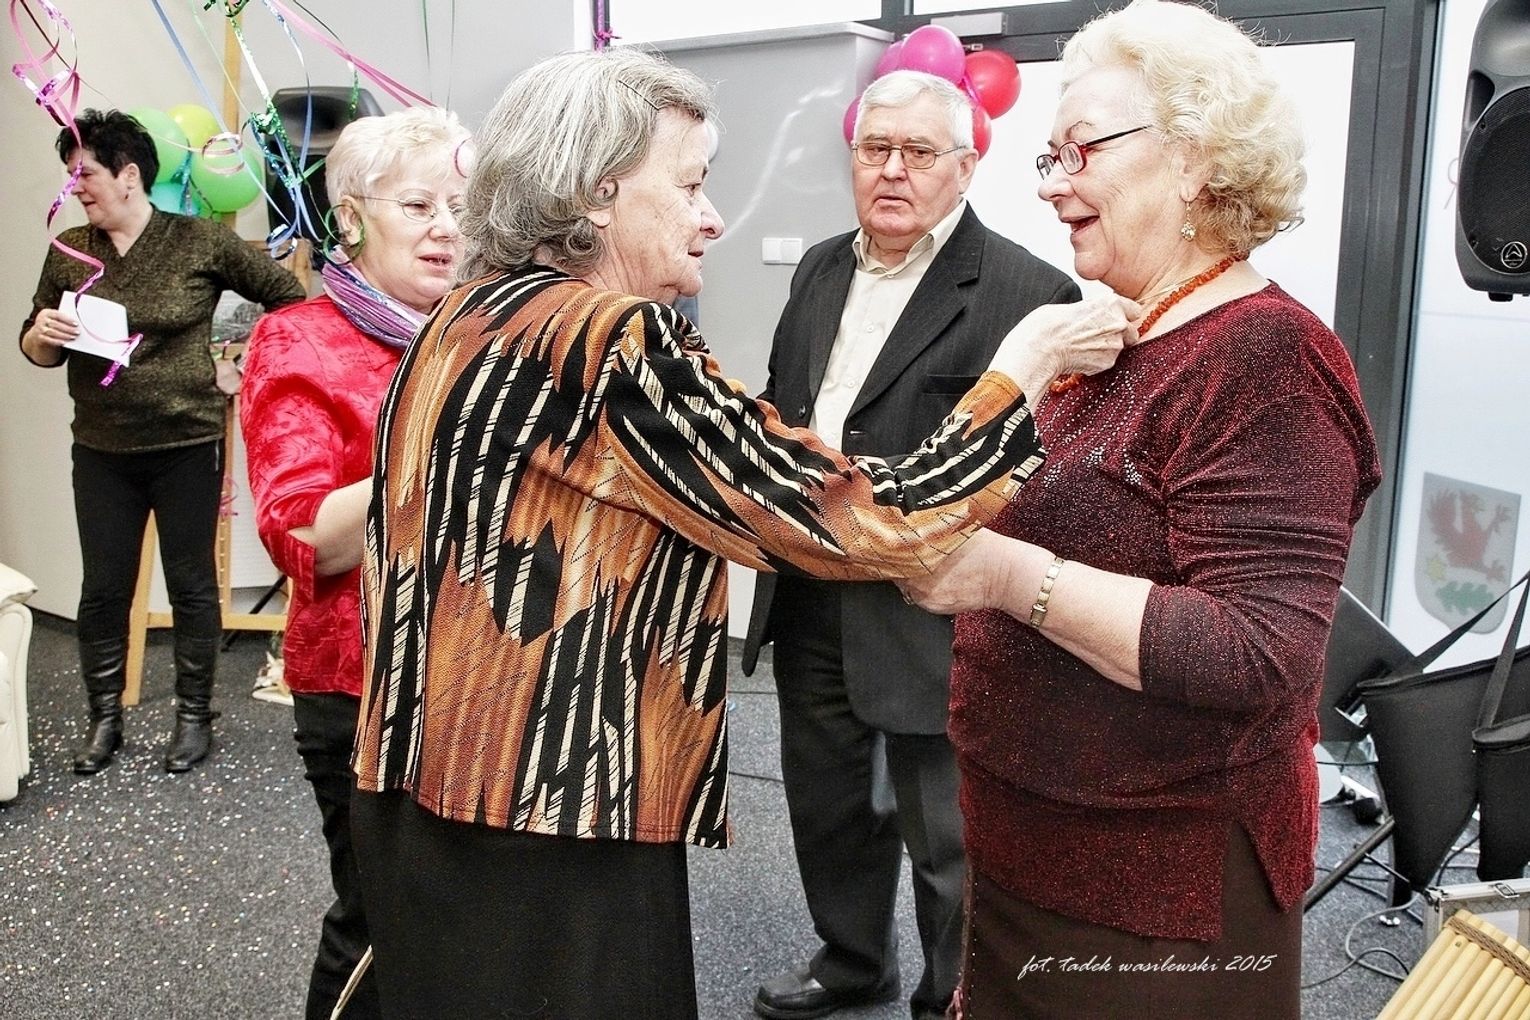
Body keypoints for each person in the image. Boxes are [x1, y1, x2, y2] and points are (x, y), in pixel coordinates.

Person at [350, 48, 1136, 1020]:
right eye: (689, 185)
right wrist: (1023, 368)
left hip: (424, 778)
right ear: (596, 195)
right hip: (548, 808)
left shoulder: (467, 315)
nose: (713, 216)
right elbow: (869, 517)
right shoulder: (612, 343)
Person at [898, 3, 1382, 1017]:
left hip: (1163, 896)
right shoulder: (1109, 337)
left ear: (1194, 162)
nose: (1051, 183)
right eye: (1049, 156)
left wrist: (1006, 576)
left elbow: (1257, 651)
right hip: (1031, 851)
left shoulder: (1265, 356)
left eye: (1081, 150)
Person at [741, 70, 1079, 1020]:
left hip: (936, 602)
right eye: (874, 149)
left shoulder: (1028, 291)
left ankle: (951, 1000)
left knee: (948, 836)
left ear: (965, 167)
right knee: (829, 803)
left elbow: (1030, 472)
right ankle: (854, 961)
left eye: (918, 152)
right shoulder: (820, 268)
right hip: (811, 584)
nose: (891, 170)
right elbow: (788, 399)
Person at [240, 106, 470, 1020]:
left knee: (462, 920)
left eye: (460, 207)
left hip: (482, 675)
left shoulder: (474, 335)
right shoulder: (298, 338)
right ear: (350, 217)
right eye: (418, 205)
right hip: (365, 684)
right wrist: (440, 446)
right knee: (378, 923)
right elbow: (301, 536)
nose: (446, 228)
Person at [19, 109, 305, 776]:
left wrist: (243, 364)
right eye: (70, 177)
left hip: (186, 445)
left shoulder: (199, 241)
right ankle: (104, 719)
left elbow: (289, 299)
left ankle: (194, 716)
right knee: (103, 589)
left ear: (129, 175)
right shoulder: (70, 249)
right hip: (102, 449)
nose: (75, 188)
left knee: (192, 586)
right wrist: (41, 336)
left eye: (85, 174)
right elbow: (37, 348)